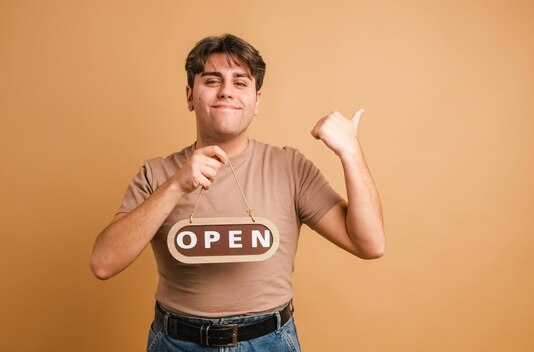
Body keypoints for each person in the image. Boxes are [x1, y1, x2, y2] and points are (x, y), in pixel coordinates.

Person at [90, 33, 385, 351]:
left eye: (240, 82)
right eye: (212, 80)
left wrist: (350, 152)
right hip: (177, 342)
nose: (226, 91)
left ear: (257, 100)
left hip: (269, 341)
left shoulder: (290, 167)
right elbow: (103, 263)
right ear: (190, 96)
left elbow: (369, 244)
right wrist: (175, 186)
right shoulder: (157, 173)